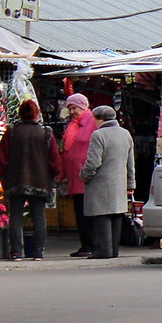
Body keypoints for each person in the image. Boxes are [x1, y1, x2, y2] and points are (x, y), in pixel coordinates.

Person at [0, 99, 63, 260]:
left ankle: (16, 252)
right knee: (39, 216)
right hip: (40, 180)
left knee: (16, 216)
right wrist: (55, 174)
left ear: (20, 113)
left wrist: (5, 174)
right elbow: (54, 160)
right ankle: (38, 252)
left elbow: (2, 159)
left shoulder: (11, 131)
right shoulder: (46, 132)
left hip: (16, 179)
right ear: (37, 113)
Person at [79, 106, 135, 259]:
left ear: (99, 119)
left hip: (101, 184)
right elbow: (130, 163)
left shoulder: (98, 135)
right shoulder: (125, 134)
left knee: (101, 216)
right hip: (119, 183)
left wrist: (84, 175)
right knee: (116, 216)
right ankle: (114, 250)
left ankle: (103, 251)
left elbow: (93, 162)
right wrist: (131, 184)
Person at [61, 93, 97, 257]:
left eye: (74, 107)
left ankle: (91, 244)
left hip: (87, 176)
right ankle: (85, 244)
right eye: (69, 108)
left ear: (82, 106)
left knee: (86, 212)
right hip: (75, 176)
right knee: (79, 211)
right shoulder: (73, 125)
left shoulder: (92, 122)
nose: (72, 111)